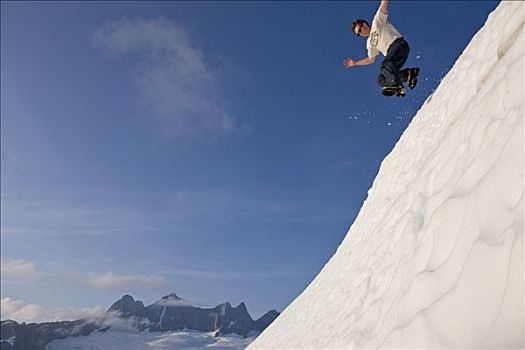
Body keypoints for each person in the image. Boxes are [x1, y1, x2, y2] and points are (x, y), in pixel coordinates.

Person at [343, 0, 418, 97]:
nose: (361, 32)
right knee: (381, 80)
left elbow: (384, 4)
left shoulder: (377, 21)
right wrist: (356, 63)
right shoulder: (369, 44)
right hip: (394, 57)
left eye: (360, 29)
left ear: (364, 24)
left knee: (385, 64)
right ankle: (408, 74)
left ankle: (397, 85)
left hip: (399, 45)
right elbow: (371, 59)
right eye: (359, 33)